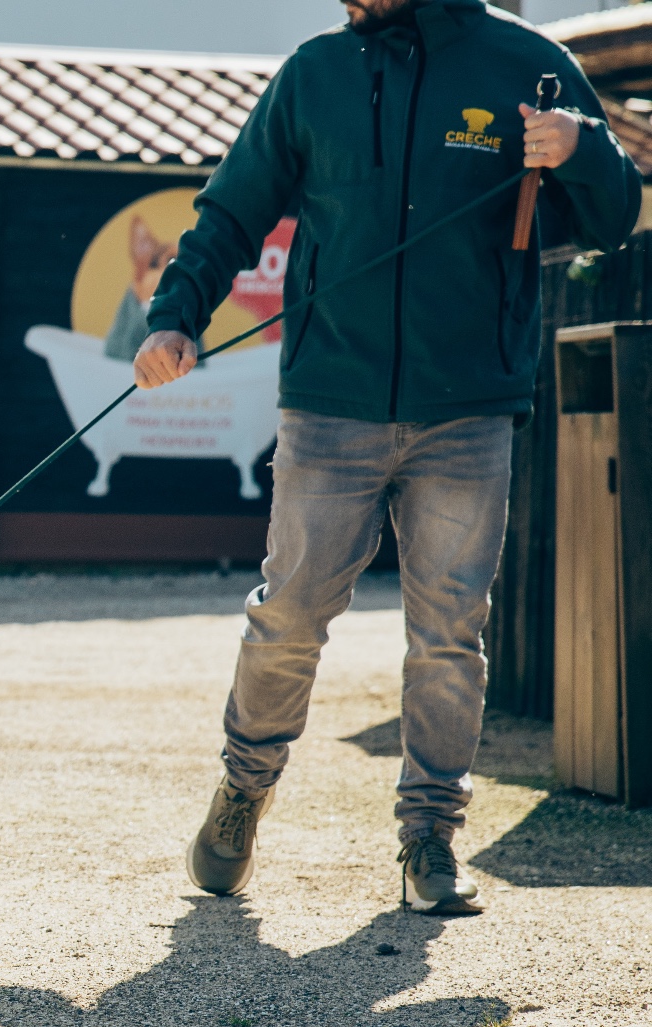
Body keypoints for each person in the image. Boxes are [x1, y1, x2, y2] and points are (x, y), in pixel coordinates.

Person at [135, 0, 640, 914]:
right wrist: (177, 315)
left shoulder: (528, 67)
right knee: (288, 616)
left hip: (469, 409)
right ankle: (243, 791)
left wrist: (583, 147)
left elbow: (614, 220)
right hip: (331, 403)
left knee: (449, 634)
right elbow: (233, 208)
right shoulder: (315, 74)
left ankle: (430, 841)